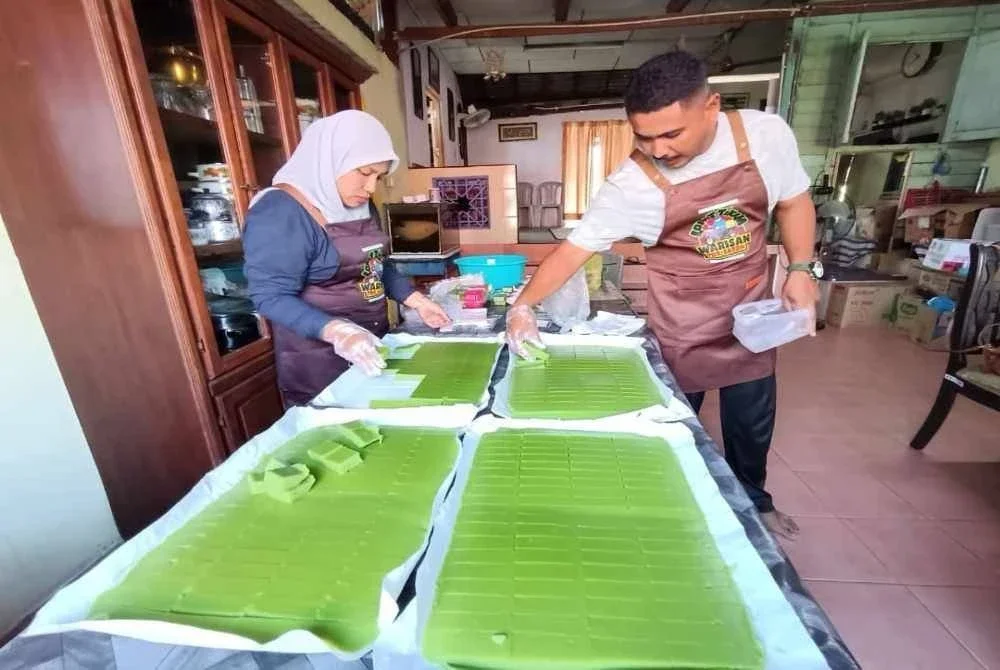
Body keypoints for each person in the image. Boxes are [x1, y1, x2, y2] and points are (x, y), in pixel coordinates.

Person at [506, 52, 819, 539]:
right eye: (643, 136)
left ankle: (755, 503)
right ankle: (661, 505)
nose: (658, 149)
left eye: (671, 134)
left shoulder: (763, 136)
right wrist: (522, 305)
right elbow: (572, 252)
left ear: (711, 106)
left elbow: (794, 200)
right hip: (683, 322)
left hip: (750, 310)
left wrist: (801, 268)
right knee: (670, 421)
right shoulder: (631, 186)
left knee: (751, 421)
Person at [244, 110, 450, 408]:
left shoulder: (361, 204)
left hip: (372, 343)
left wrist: (416, 300)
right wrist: (339, 331)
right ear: (330, 160)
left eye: (379, 176)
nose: (371, 188)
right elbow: (270, 296)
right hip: (317, 359)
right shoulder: (280, 211)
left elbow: (376, 264)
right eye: (364, 173)